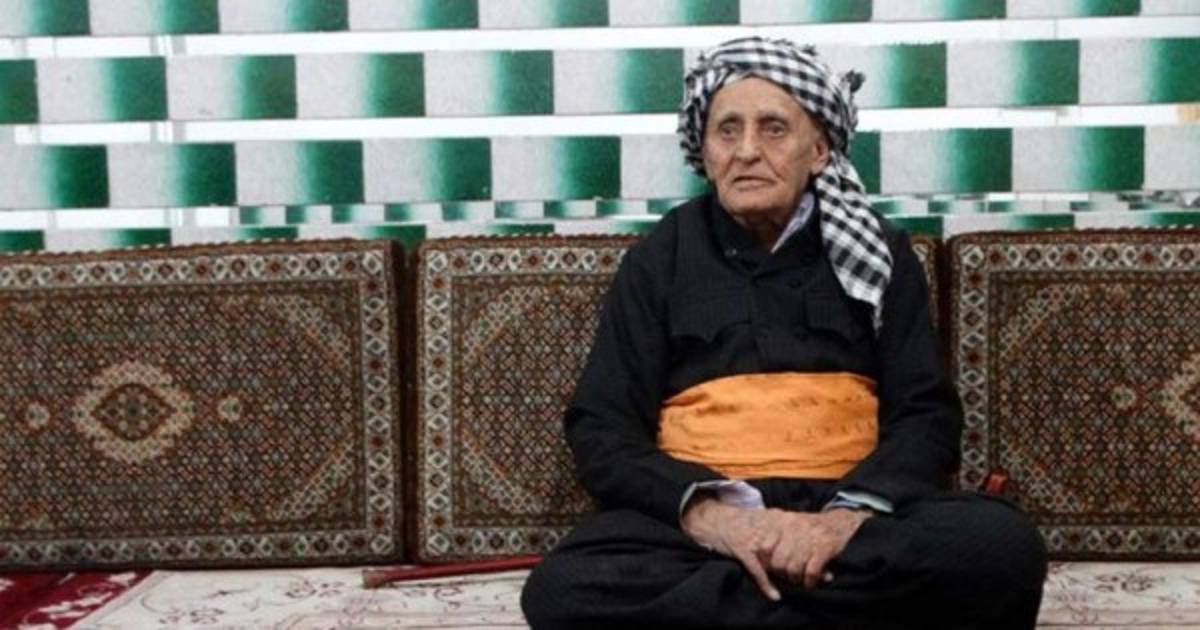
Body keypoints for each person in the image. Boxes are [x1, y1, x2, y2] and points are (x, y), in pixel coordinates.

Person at [521, 37, 1047, 629]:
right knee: (562, 587)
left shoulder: (880, 253)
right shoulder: (659, 257)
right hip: (708, 523)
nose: (747, 150)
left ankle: (746, 607)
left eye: (773, 129)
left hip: (849, 516)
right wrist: (719, 520)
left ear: (819, 150)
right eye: (727, 131)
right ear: (706, 151)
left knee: (1002, 548)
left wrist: (837, 523)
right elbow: (601, 426)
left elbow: (926, 415)